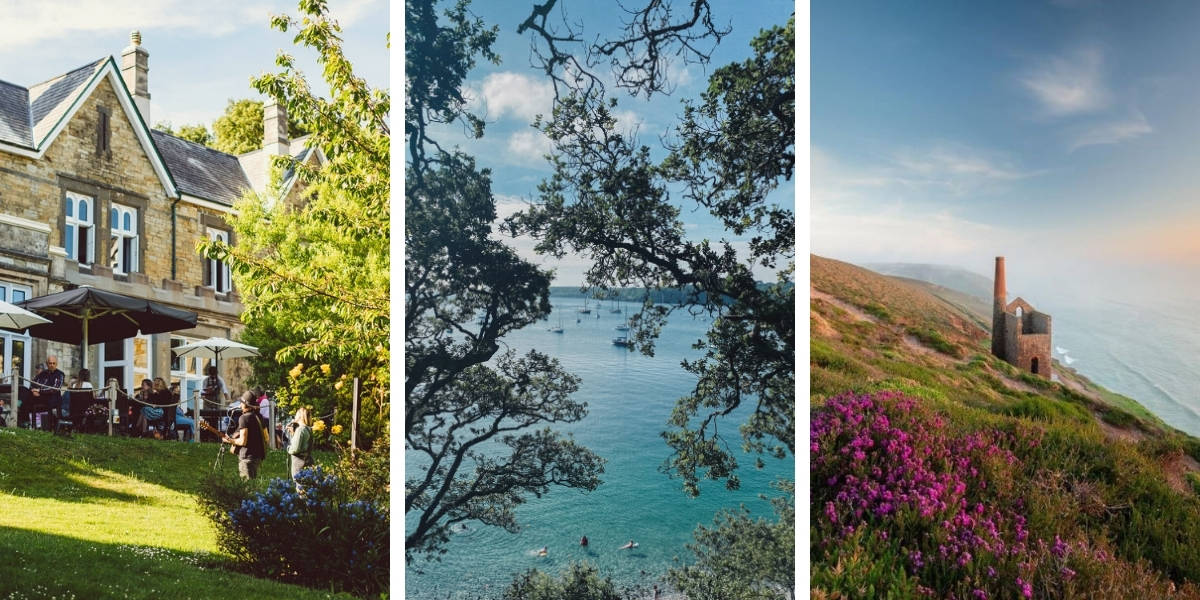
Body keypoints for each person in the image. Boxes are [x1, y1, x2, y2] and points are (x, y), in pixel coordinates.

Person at [231, 391, 267, 479]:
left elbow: (243, 441)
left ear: (246, 404)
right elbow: (267, 438)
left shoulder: (244, 418)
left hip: (247, 457)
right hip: (257, 457)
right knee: (253, 486)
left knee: (247, 487)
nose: (240, 405)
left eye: (242, 403)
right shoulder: (259, 417)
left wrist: (231, 440)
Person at [30, 355, 65, 423]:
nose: (52, 365)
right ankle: (30, 423)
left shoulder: (60, 374)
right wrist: (33, 391)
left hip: (53, 398)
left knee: (50, 399)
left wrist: (39, 391)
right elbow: (33, 383)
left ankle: (50, 425)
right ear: (47, 364)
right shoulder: (43, 373)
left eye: (53, 363)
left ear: (56, 364)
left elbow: (55, 389)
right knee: (27, 396)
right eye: (50, 363)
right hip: (41, 396)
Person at [286, 407, 314, 487]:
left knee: (300, 488)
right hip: (308, 461)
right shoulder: (308, 429)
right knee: (307, 487)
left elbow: (295, 449)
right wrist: (293, 434)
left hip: (299, 463)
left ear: (299, 416)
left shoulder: (300, 430)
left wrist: (288, 448)